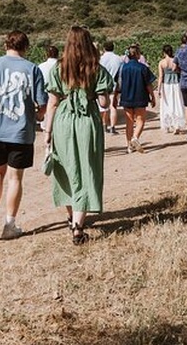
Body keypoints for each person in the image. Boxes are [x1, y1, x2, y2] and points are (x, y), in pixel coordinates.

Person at [0, 30, 48, 240]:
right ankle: (10, 224)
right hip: (20, 132)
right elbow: (42, 104)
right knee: (15, 178)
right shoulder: (32, 69)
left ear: (5, 45)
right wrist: (38, 116)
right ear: (26, 47)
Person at [43, 26, 114, 245]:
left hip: (63, 122)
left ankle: (71, 217)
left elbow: (52, 103)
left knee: (66, 170)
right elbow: (104, 103)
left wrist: (48, 131)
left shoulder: (58, 68)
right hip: (87, 122)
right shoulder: (96, 68)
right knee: (87, 169)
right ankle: (78, 226)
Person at [119, 44, 156, 153]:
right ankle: (135, 137)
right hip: (140, 96)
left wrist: (116, 96)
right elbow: (148, 84)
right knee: (140, 119)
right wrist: (152, 96)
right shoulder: (143, 68)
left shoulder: (123, 68)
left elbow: (119, 84)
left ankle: (129, 146)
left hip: (126, 96)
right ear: (138, 54)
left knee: (129, 121)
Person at [157, 44, 186, 134]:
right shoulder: (175, 60)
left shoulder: (162, 62)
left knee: (166, 104)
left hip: (166, 85)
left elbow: (161, 76)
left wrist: (159, 88)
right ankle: (177, 125)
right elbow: (180, 71)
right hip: (176, 84)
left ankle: (167, 125)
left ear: (164, 52)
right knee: (177, 103)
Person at [98, 40, 123, 135]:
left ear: (104, 48)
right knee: (113, 107)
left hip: (103, 86)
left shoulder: (101, 59)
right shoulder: (119, 59)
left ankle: (104, 125)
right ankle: (113, 127)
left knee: (103, 107)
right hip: (115, 86)